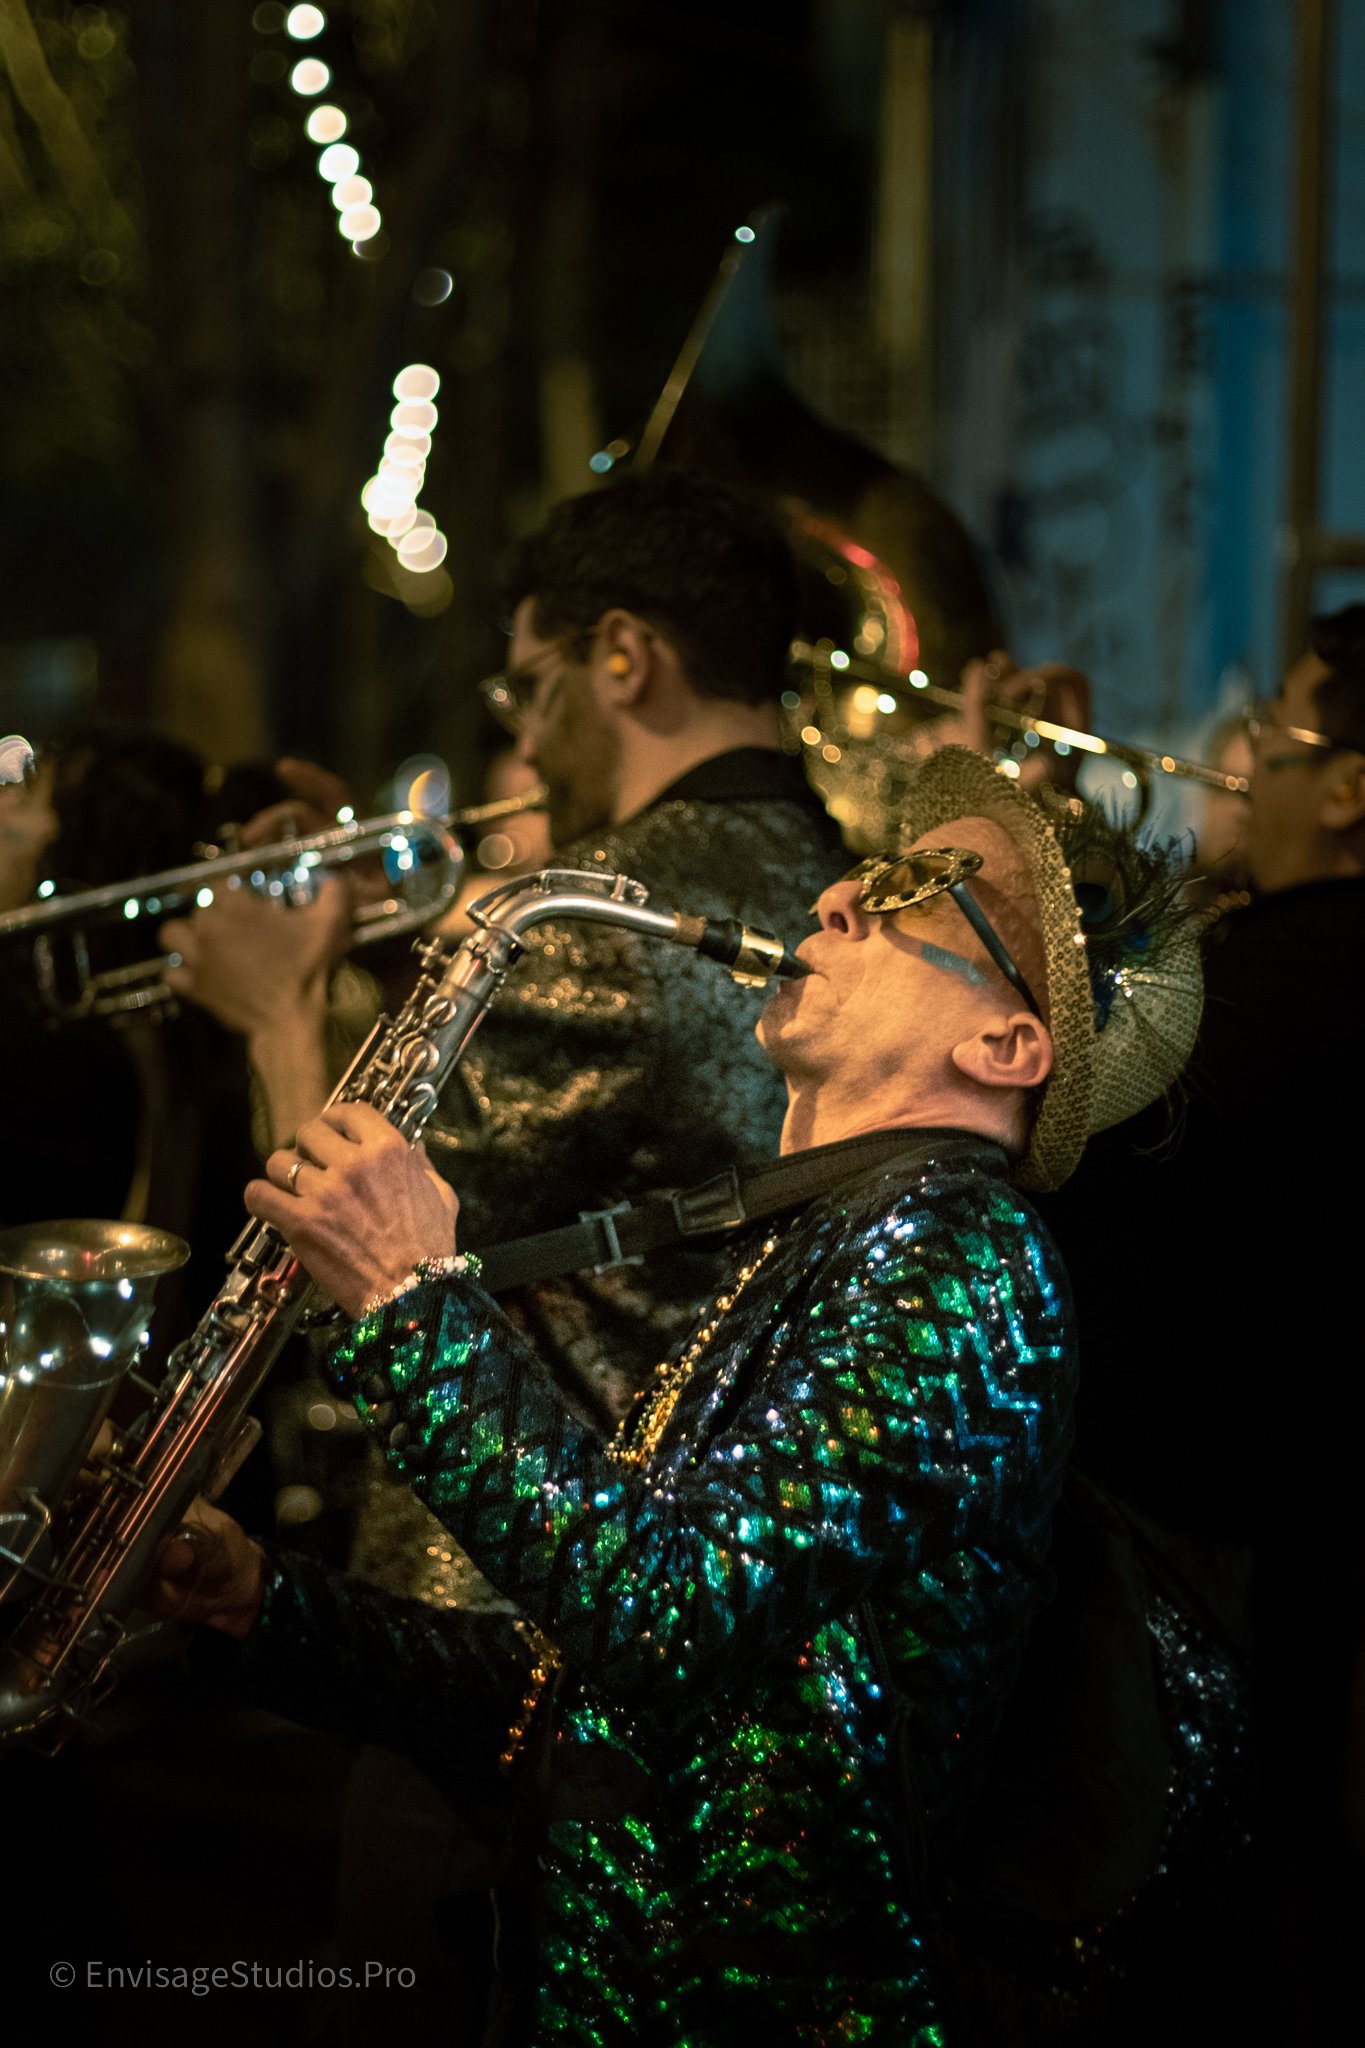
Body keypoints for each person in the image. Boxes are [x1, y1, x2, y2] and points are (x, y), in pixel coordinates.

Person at [147, 747, 1213, 2045]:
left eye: (917, 891)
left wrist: (413, 1297)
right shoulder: (823, 1249)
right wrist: (267, 1605)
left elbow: (662, 1612)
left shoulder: (962, 1257)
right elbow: (571, 1700)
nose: (838, 897)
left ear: (1006, 1043)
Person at [165, 467, 851, 1605]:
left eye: (531, 687)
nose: (526, 739)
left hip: (514, 1584)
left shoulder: (584, 916)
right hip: (717, 1546)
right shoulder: (847, 876)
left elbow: (352, 1263)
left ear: (622, 656)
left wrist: (279, 1008)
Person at [1041, 602, 1365, 2043]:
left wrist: (1034, 853)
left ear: (1346, 791)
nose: (1239, 765)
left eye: (1271, 734)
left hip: (1198, 1544)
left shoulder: (1277, 984)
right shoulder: (1274, 963)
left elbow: (1072, 1133)